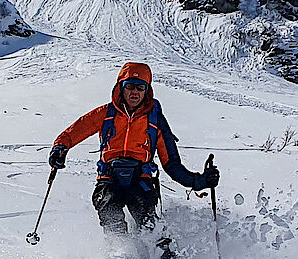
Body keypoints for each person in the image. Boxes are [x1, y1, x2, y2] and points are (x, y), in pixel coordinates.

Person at [48, 62, 219, 239]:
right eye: (129, 86)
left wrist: (200, 181)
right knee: (108, 205)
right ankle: (120, 252)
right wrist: (60, 148)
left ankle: (162, 256)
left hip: (141, 180)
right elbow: (74, 132)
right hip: (109, 179)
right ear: (121, 88)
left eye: (140, 87)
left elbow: (171, 164)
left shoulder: (156, 121)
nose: (134, 92)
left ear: (147, 91)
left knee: (147, 220)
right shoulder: (106, 113)